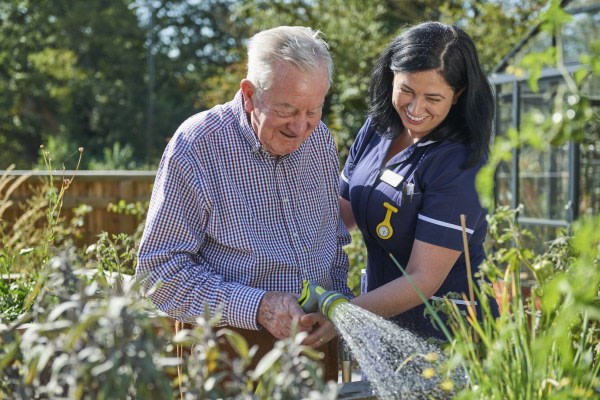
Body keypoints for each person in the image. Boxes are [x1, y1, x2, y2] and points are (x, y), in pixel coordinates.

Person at [137, 26, 353, 381]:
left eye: (313, 111)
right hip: (226, 353)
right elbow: (158, 272)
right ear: (250, 95)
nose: (301, 128)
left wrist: (337, 308)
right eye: (287, 110)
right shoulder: (198, 146)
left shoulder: (322, 141)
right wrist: (259, 307)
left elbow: (332, 243)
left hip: (315, 347)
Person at [339, 21, 498, 340]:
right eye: (406, 91)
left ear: (459, 94)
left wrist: (340, 315)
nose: (414, 109)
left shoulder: (459, 162)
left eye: (432, 98)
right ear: (391, 76)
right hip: (379, 315)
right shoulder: (377, 128)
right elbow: (341, 215)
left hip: (445, 331)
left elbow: (422, 278)